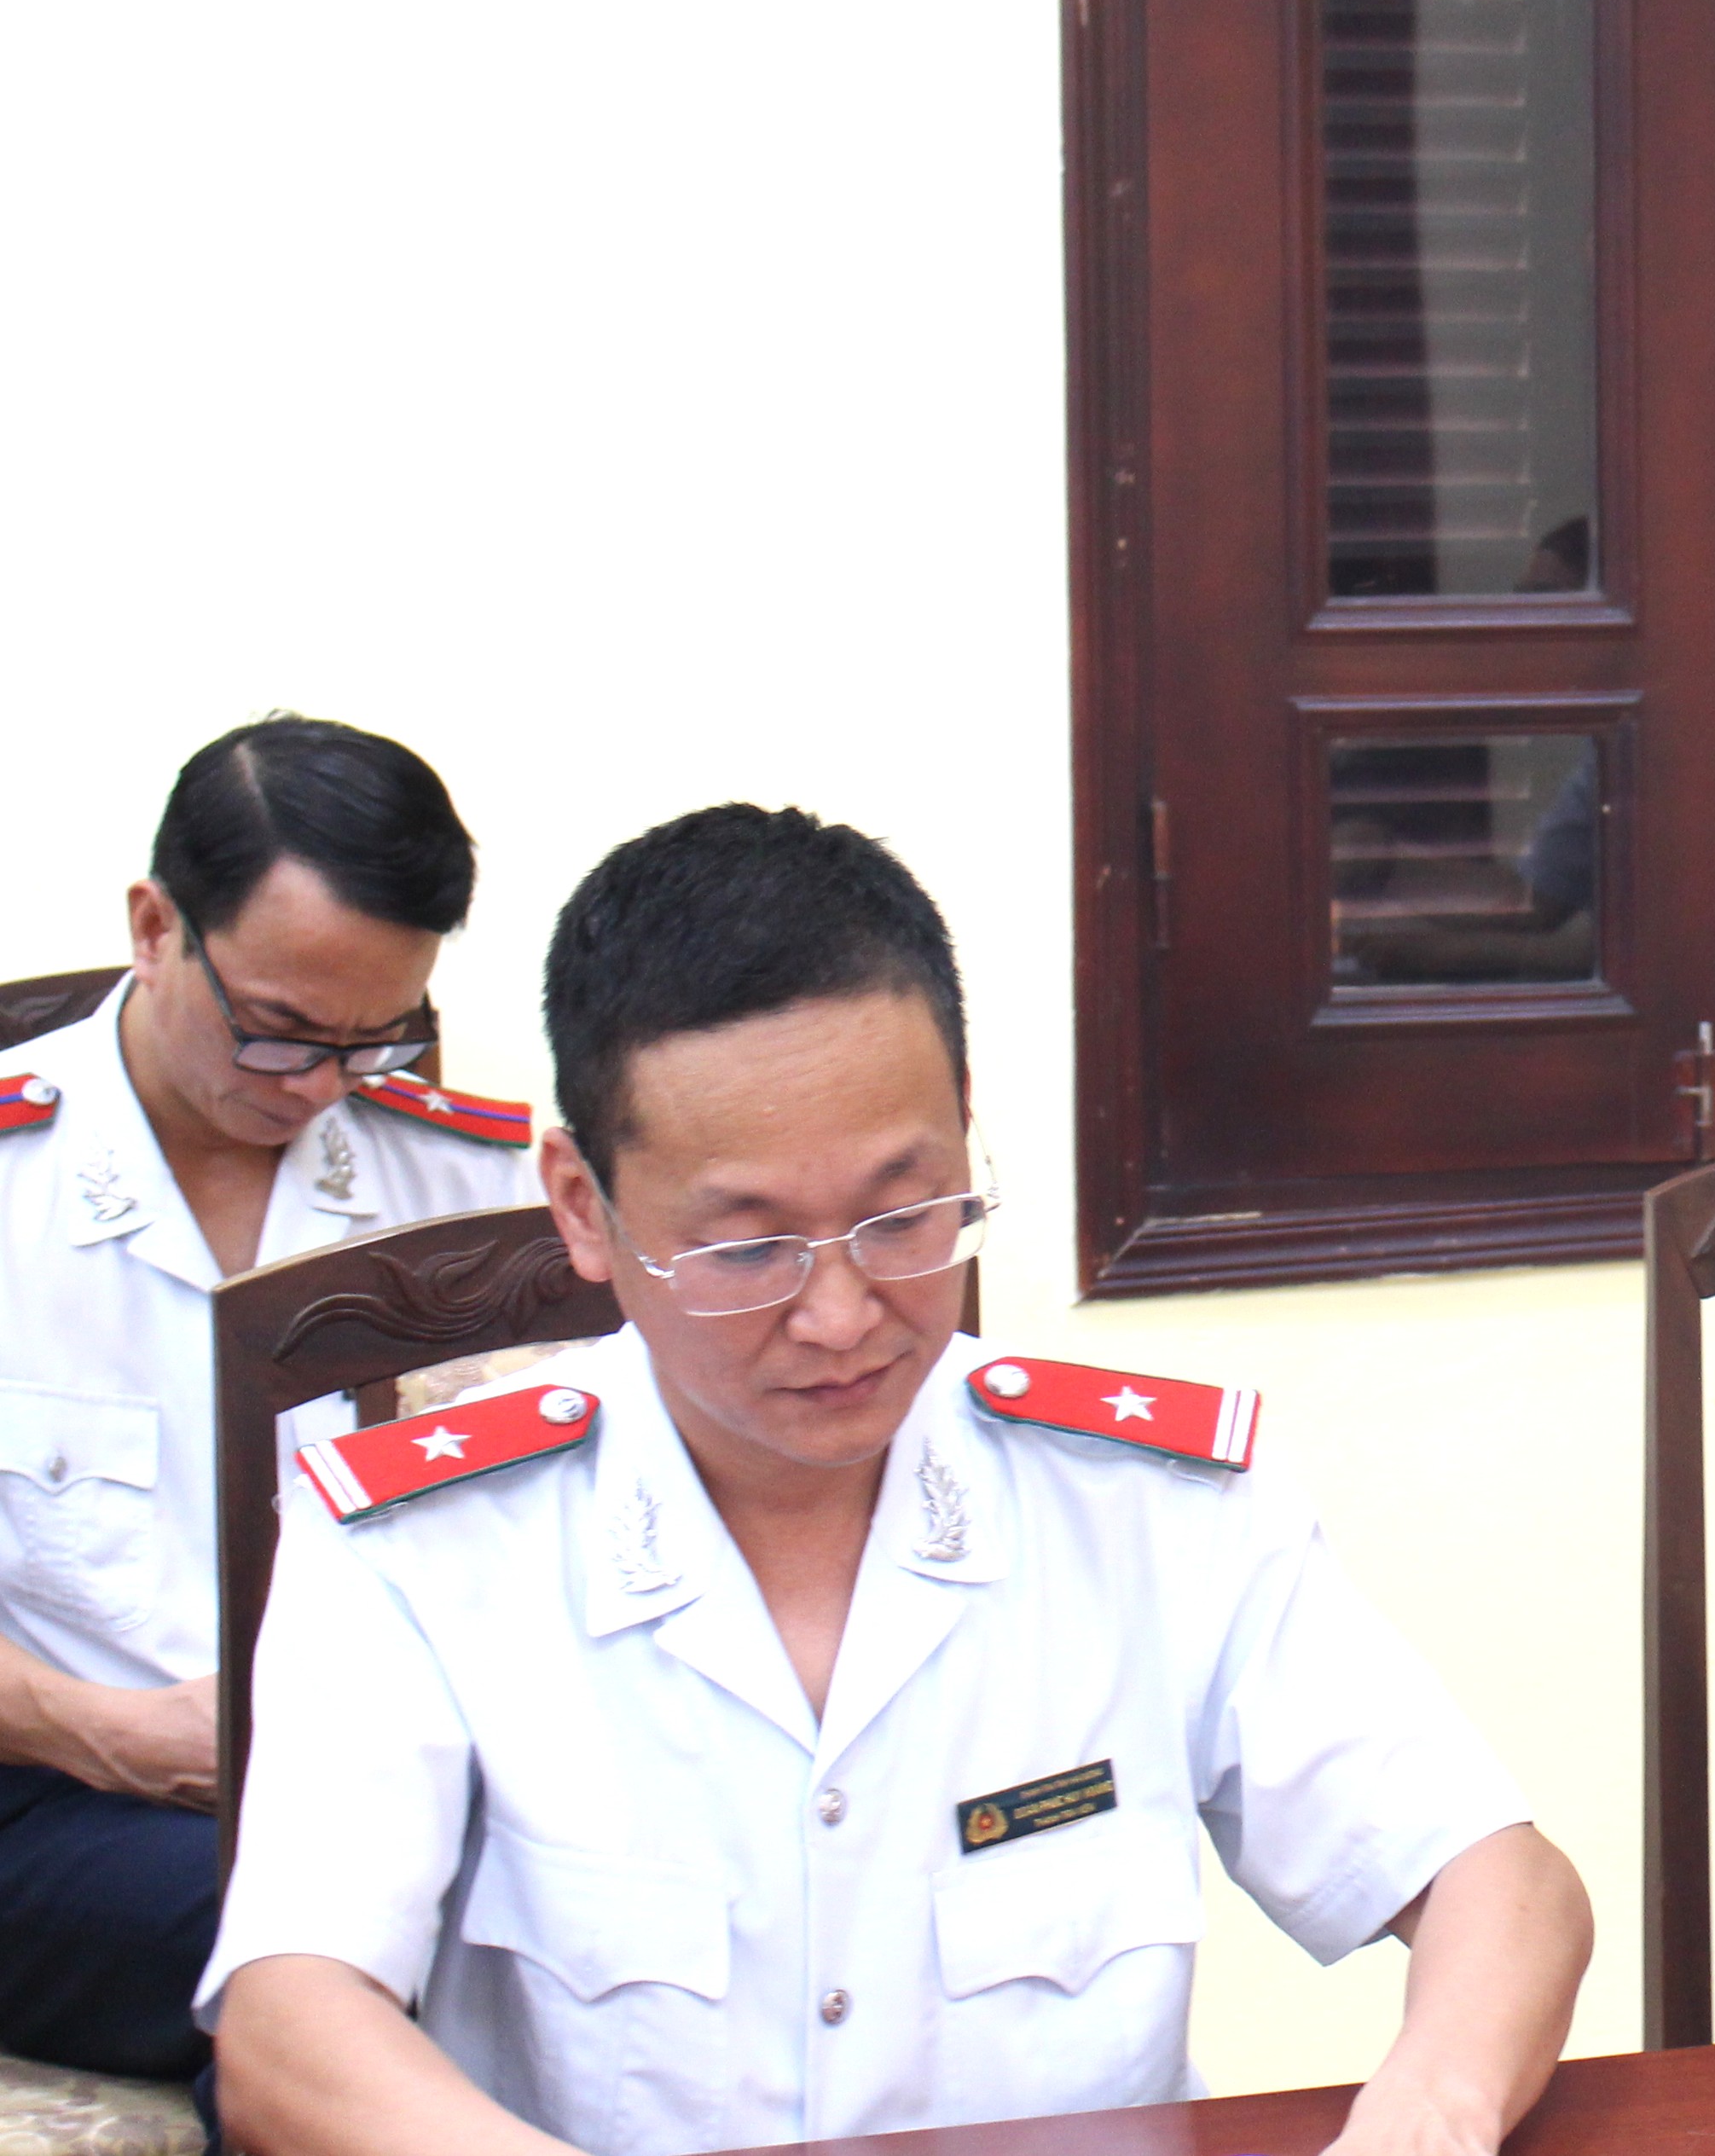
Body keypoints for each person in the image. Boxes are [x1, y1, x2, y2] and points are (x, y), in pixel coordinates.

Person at [201, 806, 1590, 2156]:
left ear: (963, 1131)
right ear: (585, 1209)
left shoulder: (1151, 1508)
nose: (841, 1315)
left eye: (901, 1214)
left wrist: (1429, 2113)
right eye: (748, 1249)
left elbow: (1500, 1882)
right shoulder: (422, 1549)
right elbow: (289, 2026)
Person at [0, 716, 526, 2091]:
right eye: (281, 1032)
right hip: (63, 1799)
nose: (320, 1088)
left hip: (407, 1786)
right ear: (155, 928)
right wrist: (101, 1729)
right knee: (312, 1948)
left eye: (373, 1040)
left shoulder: (470, 1197)